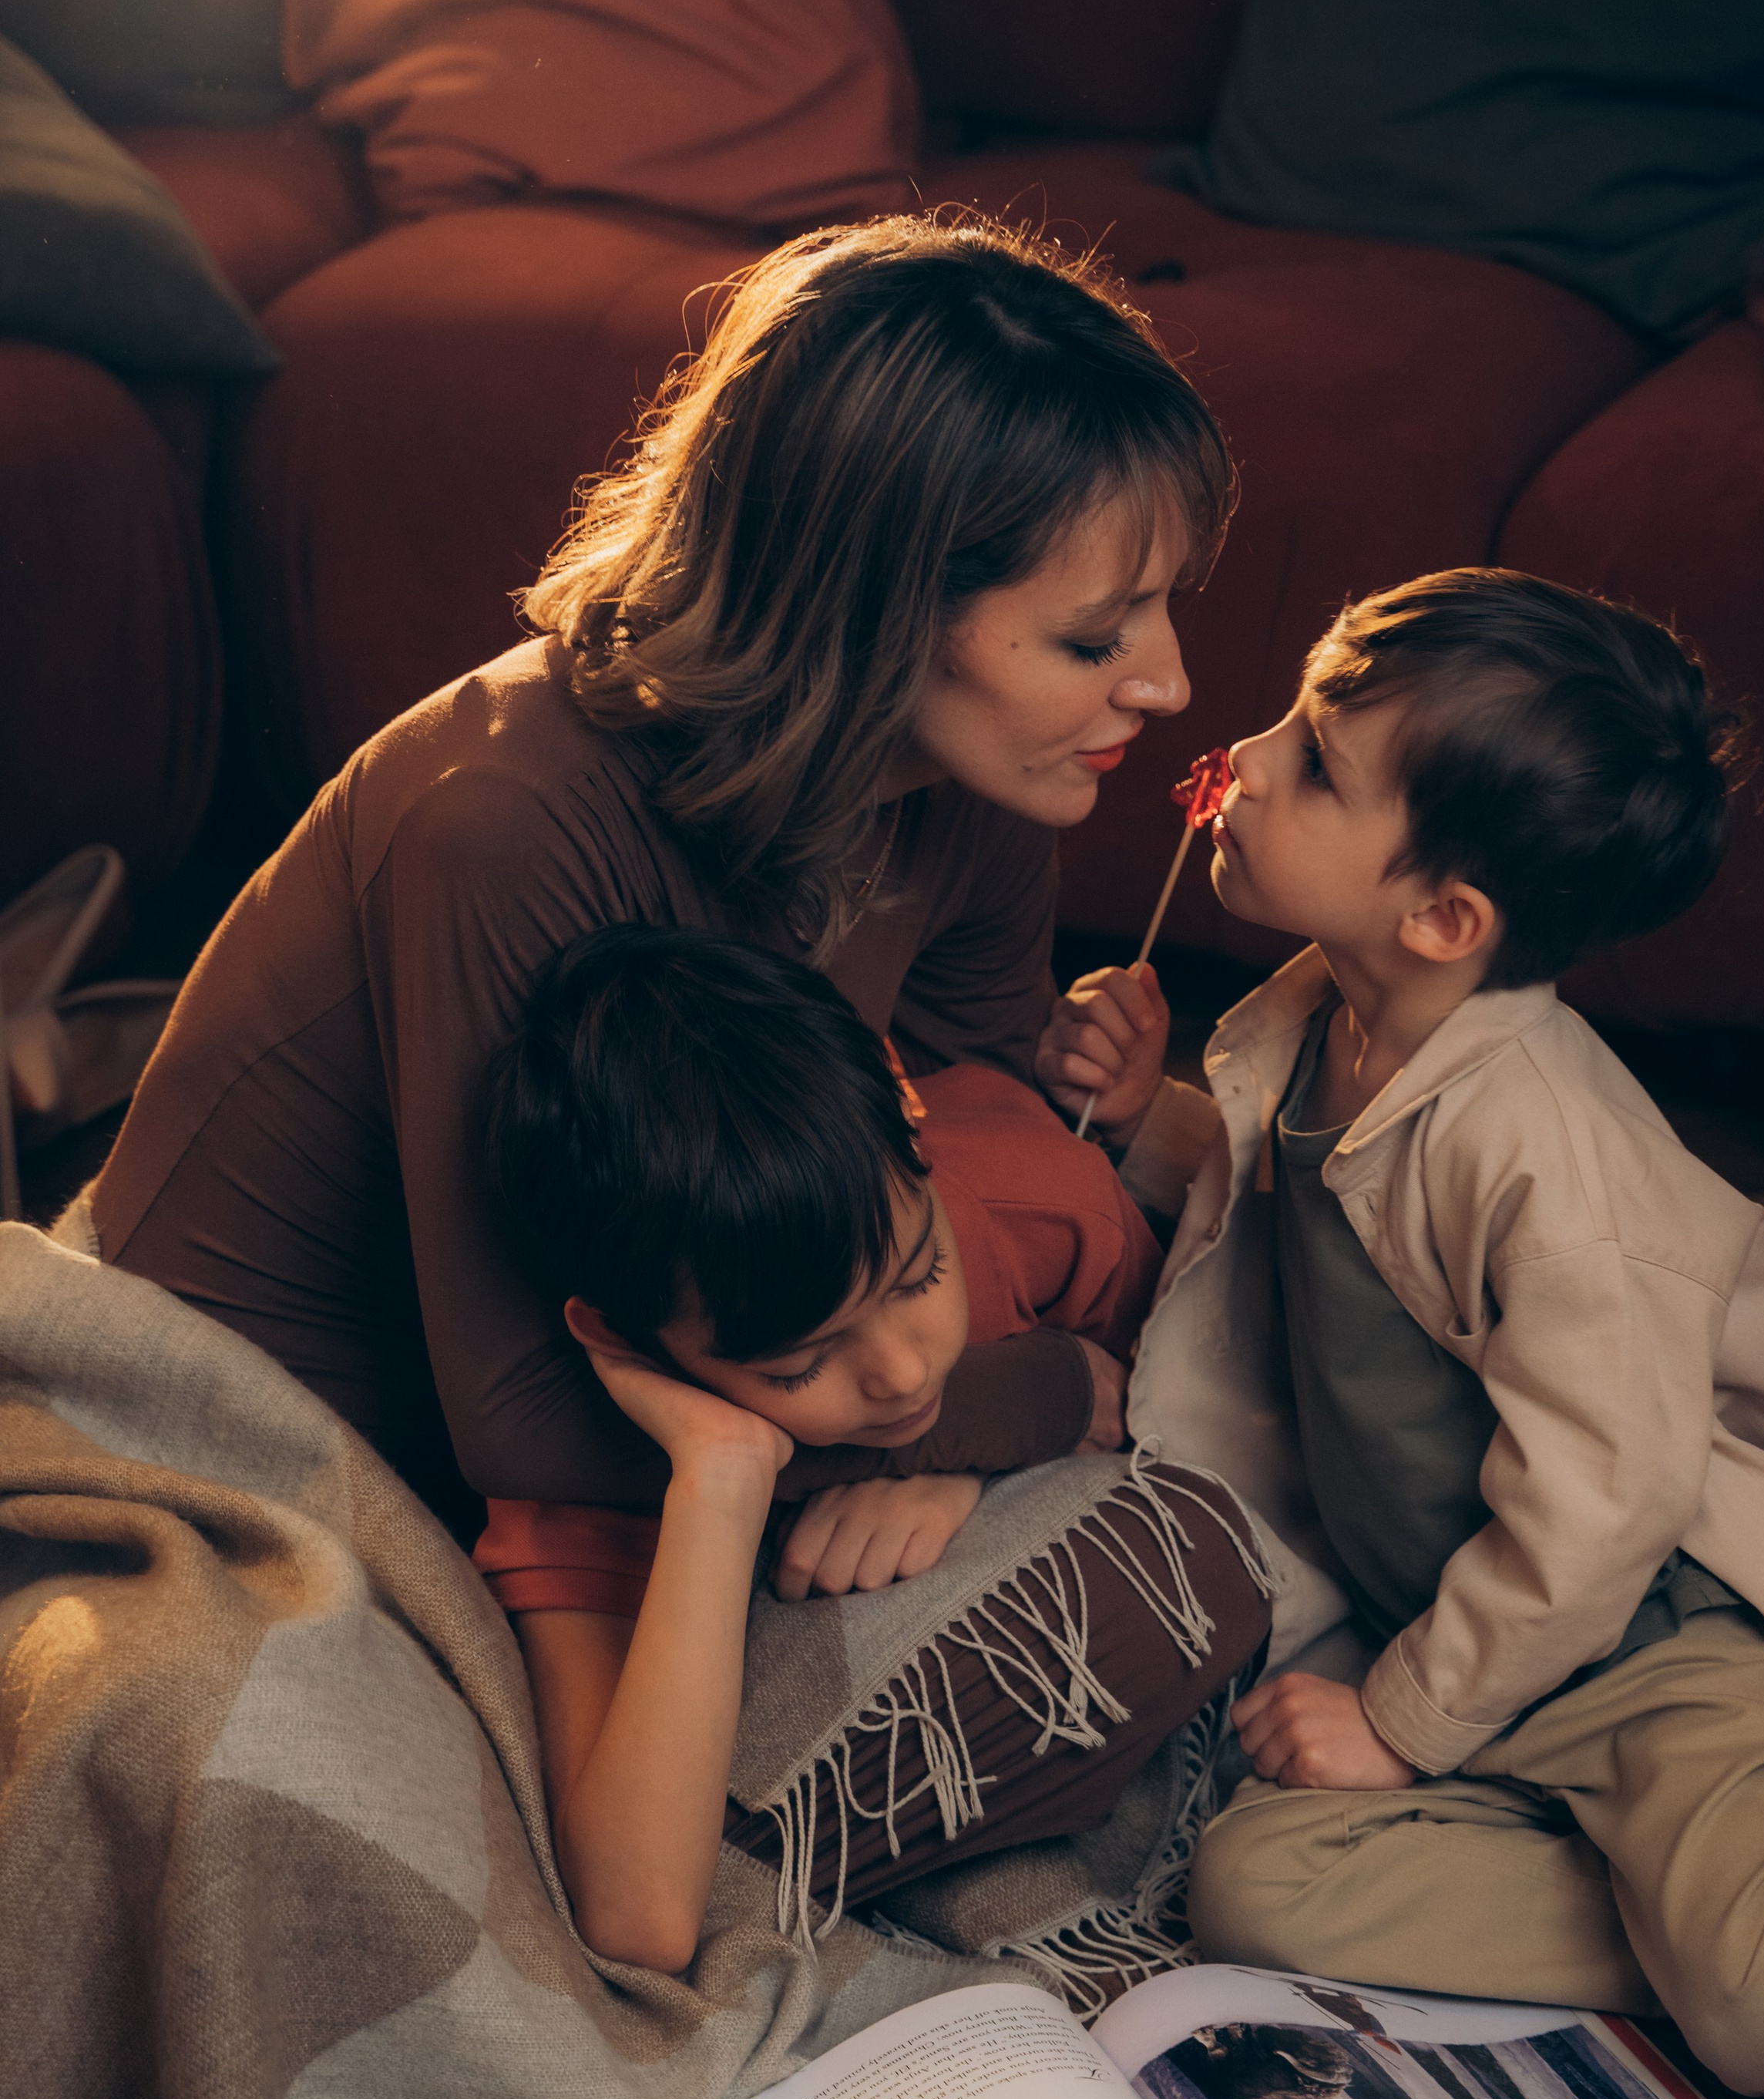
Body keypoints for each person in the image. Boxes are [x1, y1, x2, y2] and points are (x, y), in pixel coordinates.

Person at [86, 214, 1232, 1537]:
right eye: (1095, 639)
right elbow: (517, 1416)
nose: (1167, 683)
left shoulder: (979, 777)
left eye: (1159, 611)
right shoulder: (502, 822)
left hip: (719, 1371)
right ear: (869, 609)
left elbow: (985, 1142)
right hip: (300, 1438)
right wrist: (1017, 1407)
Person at [1041, 566, 1764, 2099]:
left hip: (1657, 1649)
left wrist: (1399, 1726)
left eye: (1316, 762)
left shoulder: (1546, 1158)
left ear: (1443, 915)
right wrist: (1149, 1124)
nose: (1248, 758)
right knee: (1255, 1891)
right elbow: (1306, 1228)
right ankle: (1739, 1910)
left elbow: (1604, 1504)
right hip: (1480, 1647)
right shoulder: (1322, 1015)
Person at [475, 924, 1265, 1972]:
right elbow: (641, 1916)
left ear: (908, 1113)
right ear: (627, 1341)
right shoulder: (574, 1469)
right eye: (799, 1363)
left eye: (919, 1277)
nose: (900, 1373)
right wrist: (722, 1474)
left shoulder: (1049, 1202)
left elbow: (1153, 1406)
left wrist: (958, 1461)